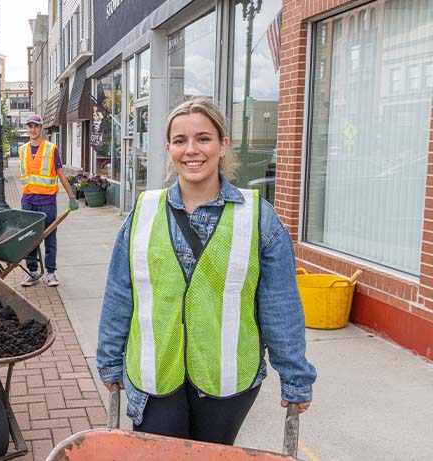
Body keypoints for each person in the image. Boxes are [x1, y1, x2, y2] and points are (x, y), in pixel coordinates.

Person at [96, 98, 316, 444]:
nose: (191, 150)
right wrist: (109, 359)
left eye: (203, 138)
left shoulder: (258, 219)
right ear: (168, 148)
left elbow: (280, 306)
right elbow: (120, 293)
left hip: (226, 381)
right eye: (180, 140)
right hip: (155, 373)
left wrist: (295, 376)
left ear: (222, 145)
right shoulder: (144, 212)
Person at [19, 114, 79, 287]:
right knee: (29, 238)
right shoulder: (23, 150)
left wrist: (72, 196)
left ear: (41, 128)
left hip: (47, 202)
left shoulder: (51, 149)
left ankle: (51, 273)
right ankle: (32, 271)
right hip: (28, 201)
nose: (33, 129)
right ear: (27, 129)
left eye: (36, 126)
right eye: (30, 126)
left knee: (50, 237)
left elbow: (61, 174)